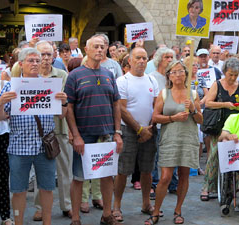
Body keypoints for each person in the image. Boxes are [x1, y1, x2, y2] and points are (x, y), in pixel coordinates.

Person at [0, 47, 68, 225]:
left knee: (47, 188)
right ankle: (19, 221)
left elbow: (62, 115)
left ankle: (47, 223)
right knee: (19, 190)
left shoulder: (49, 86)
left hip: (44, 146)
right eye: (31, 60)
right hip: (19, 146)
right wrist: (0, 102)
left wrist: (64, 101)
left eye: (37, 60)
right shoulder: (10, 86)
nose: (36, 63)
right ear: (21, 64)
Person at [64, 35, 123, 225]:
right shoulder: (75, 75)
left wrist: (117, 133)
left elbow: (116, 104)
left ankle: (107, 215)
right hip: (84, 134)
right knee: (79, 177)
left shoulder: (108, 74)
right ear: (86, 50)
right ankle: (75, 217)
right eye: (95, 47)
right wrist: (76, 135)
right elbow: (69, 107)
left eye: (102, 47)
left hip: (106, 134)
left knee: (106, 176)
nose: (99, 50)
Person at [145, 60, 202, 225]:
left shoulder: (193, 94)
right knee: (165, 177)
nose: (178, 74)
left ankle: (178, 210)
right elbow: (155, 117)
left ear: (186, 74)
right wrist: (172, 118)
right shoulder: (164, 93)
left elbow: (200, 120)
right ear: (169, 75)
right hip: (169, 139)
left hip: (188, 138)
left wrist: (193, 109)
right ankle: (156, 212)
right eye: (174, 72)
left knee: (184, 176)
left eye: (181, 71)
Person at [113, 47, 159, 223]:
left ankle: (146, 203)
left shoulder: (151, 80)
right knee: (123, 171)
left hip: (149, 130)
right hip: (128, 131)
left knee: (147, 170)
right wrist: (139, 129)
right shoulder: (122, 81)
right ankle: (116, 206)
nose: (141, 61)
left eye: (144, 58)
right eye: (138, 58)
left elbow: (157, 106)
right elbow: (122, 109)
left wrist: (149, 128)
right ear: (129, 61)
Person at [32, 40, 73, 221]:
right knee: (40, 170)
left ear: (53, 56)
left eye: (49, 54)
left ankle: (67, 205)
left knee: (65, 168)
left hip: (58, 128)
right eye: (42, 54)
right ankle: (40, 207)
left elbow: (65, 104)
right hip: (37, 130)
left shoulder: (62, 75)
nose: (46, 58)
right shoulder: (30, 77)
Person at [200, 57, 239, 201]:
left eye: (235, 75)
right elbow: (208, 103)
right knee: (214, 155)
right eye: (230, 74)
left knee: (235, 155)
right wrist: (225, 104)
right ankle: (207, 187)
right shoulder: (217, 84)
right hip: (218, 125)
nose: (232, 77)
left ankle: (233, 184)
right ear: (225, 71)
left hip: (235, 126)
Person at [149, 47, 178, 199]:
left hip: (173, 123)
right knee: (155, 155)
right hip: (158, 122)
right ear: (159, 59)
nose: (169, 59)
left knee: (172, 154)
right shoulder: (152, 77)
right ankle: (153, 185)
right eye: (167, 57)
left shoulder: (173, 77)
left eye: (171, 57)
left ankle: (173, 184)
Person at [0, 78, 12, 225]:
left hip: (0, 135)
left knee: (2, 177)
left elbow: (5, 112)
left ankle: (5, 216)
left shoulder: (1, 84)